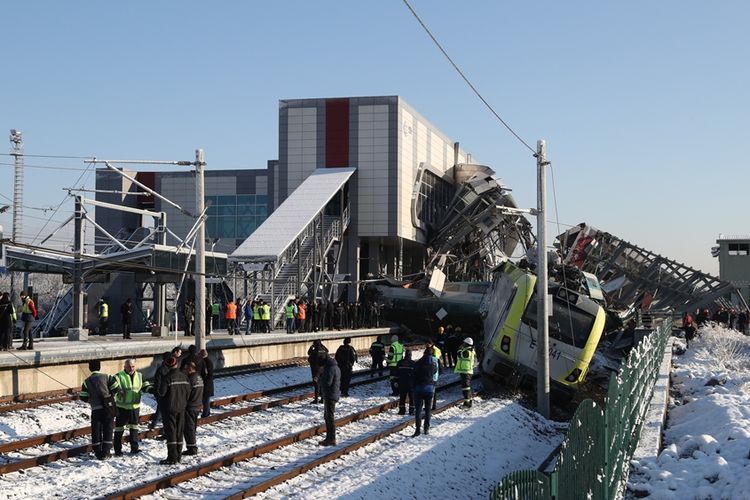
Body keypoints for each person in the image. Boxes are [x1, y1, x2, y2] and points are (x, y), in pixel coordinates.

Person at [80, 360, 120, 460]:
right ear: (99, 367)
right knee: (108, 428)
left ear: (90, 368)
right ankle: (106, 452)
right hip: (108, 408)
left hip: (95, 409)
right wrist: (109, 395)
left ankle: (98, 452)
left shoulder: (86, 381)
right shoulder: (107, 377)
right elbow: (115, 388)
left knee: (96, 430)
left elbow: (83, 397)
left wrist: (91, 399)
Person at [113, 358, 153, 455]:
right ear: (124, 367)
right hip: (122, 407)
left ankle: (134, 448)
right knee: (119, 429)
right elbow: (113, 386)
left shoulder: (139, 375)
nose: (131, 368)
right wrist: (118, 390)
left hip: (134, 407)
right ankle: (117, 450)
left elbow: (145, 385)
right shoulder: (119, 376)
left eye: (133, 366)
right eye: (129, 367)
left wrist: (152, 390)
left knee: (134, 428)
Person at [158, 356, 190, 465]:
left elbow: (161, 393)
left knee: (171, 432)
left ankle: (172, 457)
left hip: (169, 409)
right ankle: (178, 456)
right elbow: (188, 392)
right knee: (179, 432)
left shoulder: (167, 378)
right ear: (177, 364)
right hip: (182, 408)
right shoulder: (184, 377)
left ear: (167, 365)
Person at [412, 347, 437, 437]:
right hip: (429, 389)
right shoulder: (433, 364)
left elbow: (413, 375)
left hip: (418, 389)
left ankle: (418, 430)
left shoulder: (417, 363)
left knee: (418, 411)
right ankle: (426, 429)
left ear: (424, 353)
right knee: (428, 411)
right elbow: (435, 372)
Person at [319, 354, 341, 446]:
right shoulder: (335, 366)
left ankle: (331, 438)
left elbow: (328, 382)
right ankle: (329, 438)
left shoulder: (330, 368)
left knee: (329, 417)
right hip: (332, 394)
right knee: (327, 416)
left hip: (330, 395)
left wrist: (320, 378)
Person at [183, 361, 203, 456]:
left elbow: (186, 394)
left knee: (189, 428)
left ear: (190, 369)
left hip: (190, 406)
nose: (185, 370)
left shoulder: (190, 379)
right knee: (193, 427)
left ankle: (192, 448)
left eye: (186, 369)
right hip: (197, 405)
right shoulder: (199, 377)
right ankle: (192, 446)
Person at [149, 352, 172, 430]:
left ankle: (154, 424)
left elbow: (157, 382)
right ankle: (154, 425)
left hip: (163, 392)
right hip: (164, 392)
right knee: (161, 409)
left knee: (161, 409)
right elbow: (158, 382)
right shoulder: (166, 369)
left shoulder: (161, 368)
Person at [454, 337, 476, 408]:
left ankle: (467, 404)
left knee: (465, 388)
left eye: (464, 343)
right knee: (467, 387)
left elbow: (459, 354)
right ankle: (469, 401)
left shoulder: (467, 351)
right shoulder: (470, 350)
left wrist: (460, 349)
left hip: (465, 371)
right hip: (467, 371)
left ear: (467, 344)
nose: (463, 344)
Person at [307, 339, 329, 404]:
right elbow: (327, 351)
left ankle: (316, 400)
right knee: (323, 384)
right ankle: (322, 399)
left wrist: (311, 348)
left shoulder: (315, 351)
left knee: (316, 385)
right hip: (324, 370)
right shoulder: (324, 350)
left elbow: (309, 358)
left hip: (316, 371)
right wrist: (322, 345)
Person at [396, 349, 415, 415]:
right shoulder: (413, 363)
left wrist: (396, 381)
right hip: (411, 383)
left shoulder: (400, 362)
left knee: (402, 397)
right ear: (410, 355)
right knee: (412, 397)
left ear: (405, 354)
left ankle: (402, 411)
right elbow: (416, 374)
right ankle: (411, 411)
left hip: (402, 382)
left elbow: (396, 373)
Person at [199, 349, 214, 418]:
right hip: (208, 384)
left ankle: (206, 413)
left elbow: (206, 374)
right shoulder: (209, 362)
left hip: (206, 384)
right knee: (206, 400)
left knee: (205, 400)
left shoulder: (204, 362)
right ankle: (207, 412)